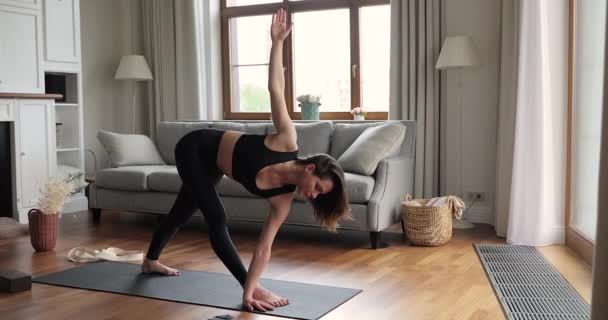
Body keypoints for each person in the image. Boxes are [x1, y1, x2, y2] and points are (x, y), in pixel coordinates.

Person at [140, 8, 351, 312]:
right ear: (309, 168)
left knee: (182, 211)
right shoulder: (286, 140)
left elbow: (264, 248)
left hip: (211, 165)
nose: (313, 195)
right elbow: (276, 88)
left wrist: (250, 293)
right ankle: (164, 264)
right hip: (194, 147)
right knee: (217, 217)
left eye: (319, 195)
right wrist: (277, 42)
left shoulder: (283, 200)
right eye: (317, 186)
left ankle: (150, 261)